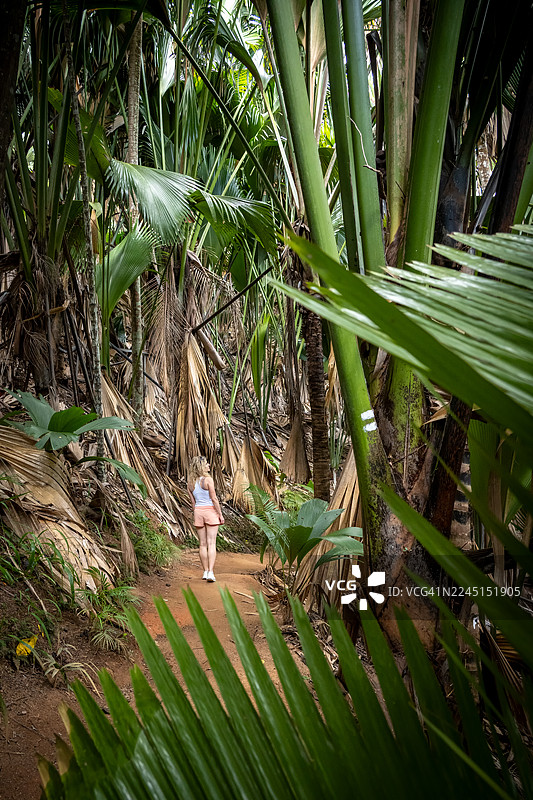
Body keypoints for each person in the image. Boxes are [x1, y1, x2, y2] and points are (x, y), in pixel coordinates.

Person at [187, 455, 224, 582]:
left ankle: (205, 571)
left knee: (202, 544)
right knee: (211, 543)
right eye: (207, 464)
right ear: (202, 466)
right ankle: (211, 573)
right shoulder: (208, 480)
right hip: (210, 511)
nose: (209, 465)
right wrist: (220, 514)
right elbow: (214, 499)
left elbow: (193, 503)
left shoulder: (190, 483)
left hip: (198, 511)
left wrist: (197, 512)